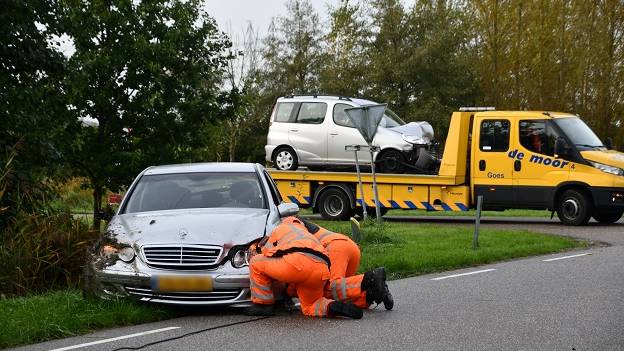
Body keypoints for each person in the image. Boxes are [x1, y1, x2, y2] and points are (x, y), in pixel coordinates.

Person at [244, 216, 363, 319]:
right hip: (321, 267)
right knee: (310, 305)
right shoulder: (305, 232)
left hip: (298, 263)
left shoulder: (279, 229)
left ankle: (263, 305)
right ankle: (331, 306)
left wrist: (255, 254)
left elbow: (268, 254)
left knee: (255, 263)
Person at [296, 218, 394, 310]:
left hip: (334, 248)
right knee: (340, 293)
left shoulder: (289, 227)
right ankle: (369, 295)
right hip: (349, 246)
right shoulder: (295, 224)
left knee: (330, 287)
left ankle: (371, 279)